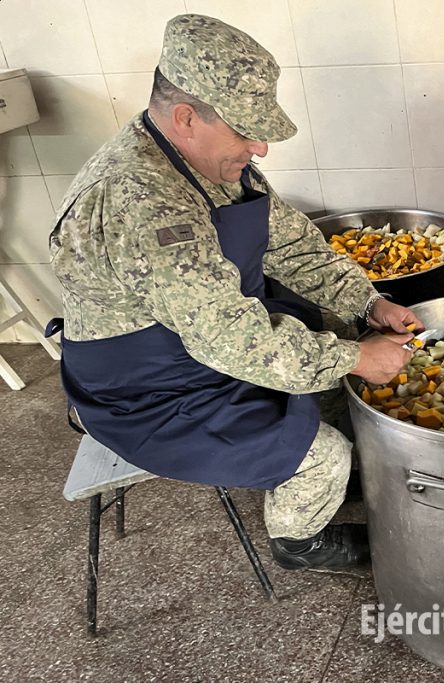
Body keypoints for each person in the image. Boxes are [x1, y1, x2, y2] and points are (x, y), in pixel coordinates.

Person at [47, 14, 420, 574]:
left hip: (205, 340)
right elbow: (229, 339)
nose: (261, 147)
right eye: (246, 131)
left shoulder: (209, 162)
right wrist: (357, 358)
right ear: (185, 117)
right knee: (322, 452)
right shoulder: (142, 200)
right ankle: (300, 541)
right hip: (147, 388)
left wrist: (368, 303)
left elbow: (291, 244)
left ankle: (328, 468)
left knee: (339, 359)